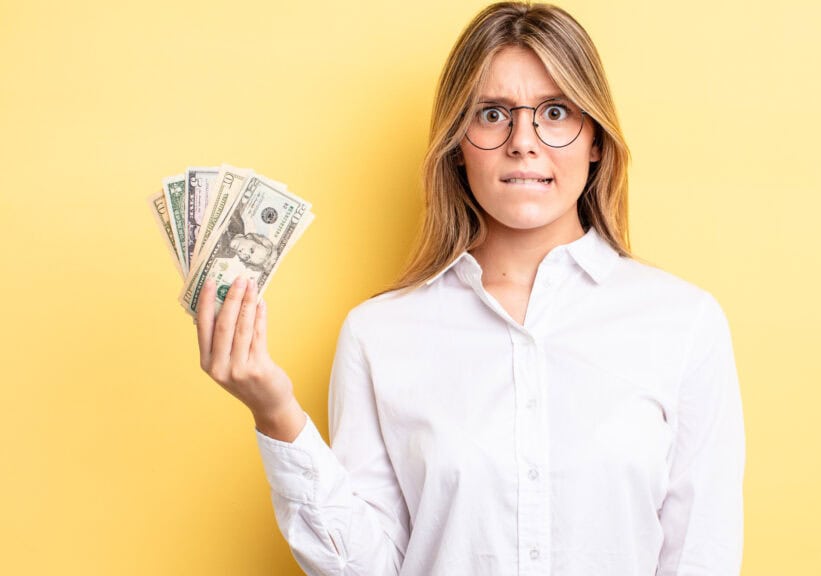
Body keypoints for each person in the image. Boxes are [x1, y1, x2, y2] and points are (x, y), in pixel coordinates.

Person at [194, 2, 746, 575]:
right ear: (458, 144)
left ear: (596, 140)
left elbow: (702, 556)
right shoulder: (378, 334)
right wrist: (276, 412)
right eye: (492, 114)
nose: (523, 141)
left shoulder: (683, 323)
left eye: (556, 111)